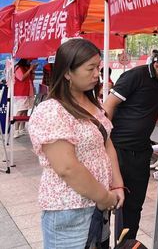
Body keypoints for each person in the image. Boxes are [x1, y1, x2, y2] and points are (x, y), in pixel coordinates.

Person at [28, 39, 124, 249]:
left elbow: (106, 143)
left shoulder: (92, 103)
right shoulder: (52, 111)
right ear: (67, 73)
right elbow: (67, 168)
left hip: (99, 205)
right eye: (90, 68)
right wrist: (104, 197)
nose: (97, 74)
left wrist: (117, 185)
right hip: (70, 209)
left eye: (98, 67)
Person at [103, 47, 158, 240]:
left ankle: (127, 243)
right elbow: (109, 105)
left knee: (134, 204)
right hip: (118, 148)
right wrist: (104, 141)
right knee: (108, 201)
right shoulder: (135, 77)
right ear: (157, 66)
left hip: (141, 150)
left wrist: (148, 124)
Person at [13, 58, 36, 137]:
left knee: (26, 110)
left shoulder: (27, 67)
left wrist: (33, 70)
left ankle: (22, 129)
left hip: (29, 91)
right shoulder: (18, 68)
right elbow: (21, 78)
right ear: (24, 60)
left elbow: (32, 78)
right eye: (29, 60)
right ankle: (16, 130)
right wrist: (30, 69)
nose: (30, 62)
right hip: (21, 92)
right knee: (21, 110)